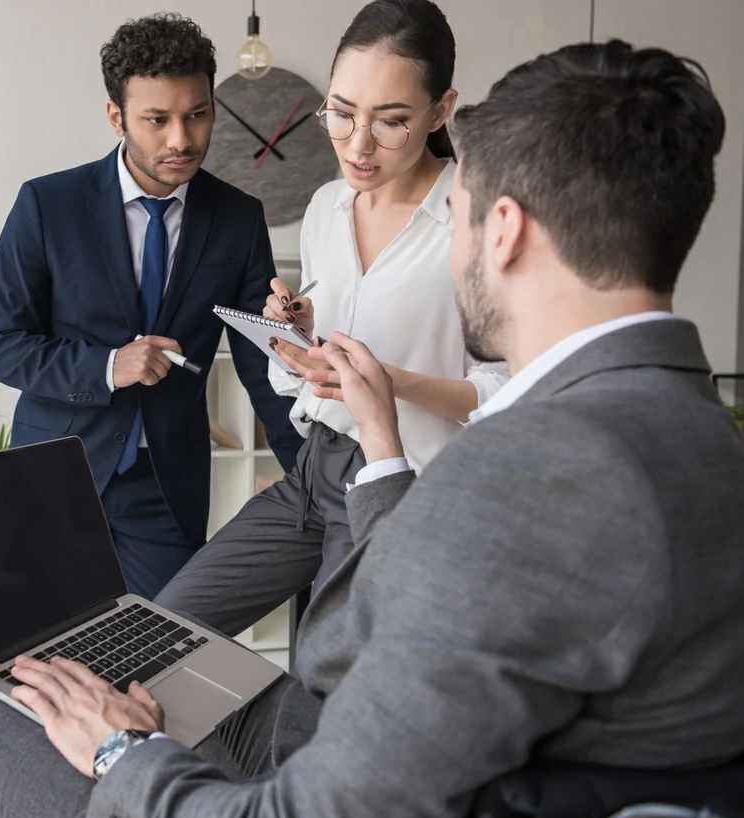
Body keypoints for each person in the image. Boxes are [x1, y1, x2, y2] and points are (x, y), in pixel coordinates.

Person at [0, 37, 744, 818]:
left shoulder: (528, 477)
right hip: (341, 720)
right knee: (165, 658)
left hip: (317, 783)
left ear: (507, 230)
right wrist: (378, 440)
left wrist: (123, 753)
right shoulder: (706, 442)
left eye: (456, 210)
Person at [157, 0, 508, 637]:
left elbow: (507, 391)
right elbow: (305, 382)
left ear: (441, 109)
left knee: (327, 682)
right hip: (312, 472)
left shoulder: (480, 220)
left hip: (405, 493)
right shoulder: (326, 205)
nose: (358, 144)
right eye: (341, 115)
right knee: (167, 630)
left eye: (391, 122)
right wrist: (295, 341)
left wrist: (385, 382)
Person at [0, 13, 301, 600]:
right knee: (46, 661)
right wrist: (108, 366)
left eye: (197, 114)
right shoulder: (47, 205)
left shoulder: (238, 218)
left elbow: (261, 363)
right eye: (157, 119)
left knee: (170, 659)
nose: (181, 138)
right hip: (56, 473)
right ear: (115, 116)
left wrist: (314, 478)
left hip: (165, 486)